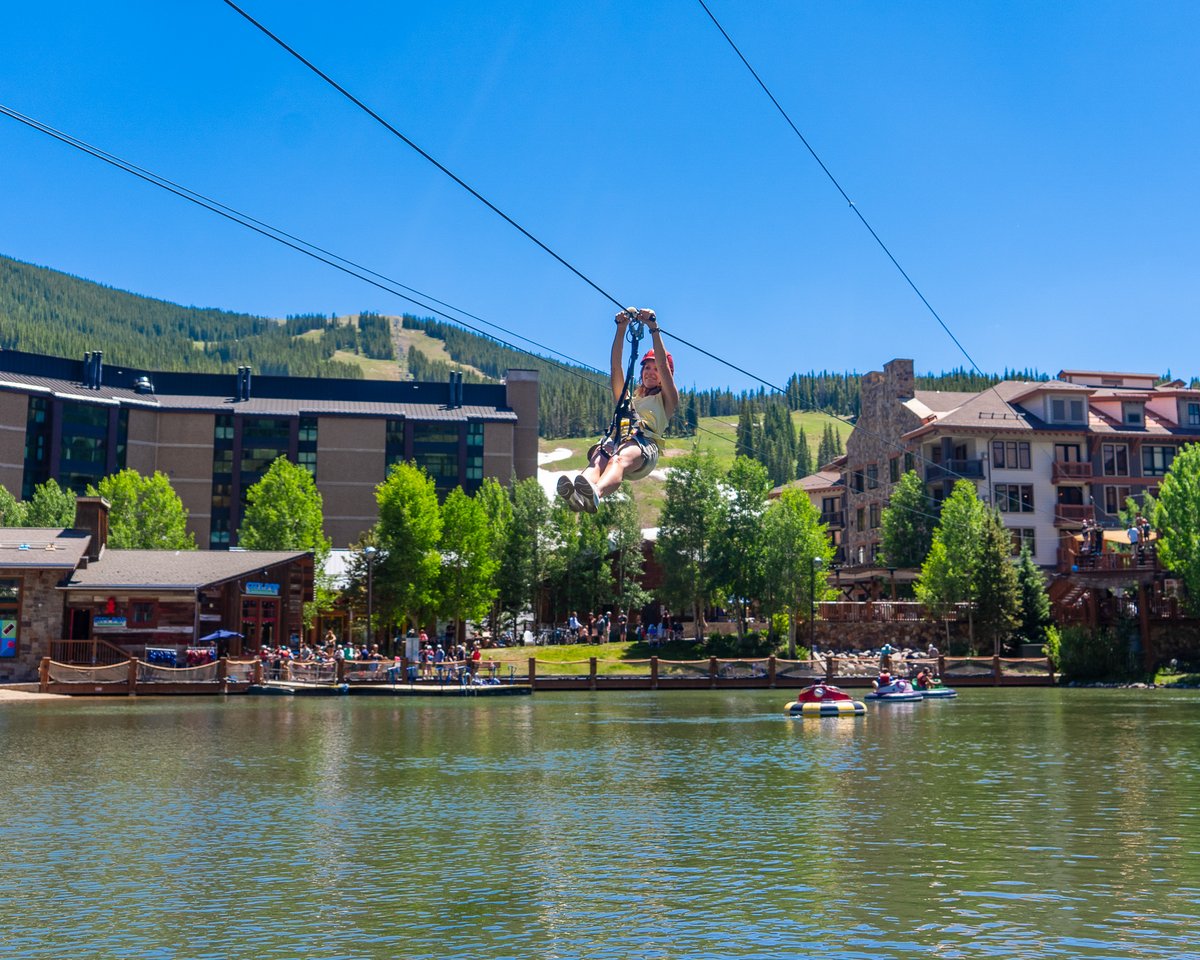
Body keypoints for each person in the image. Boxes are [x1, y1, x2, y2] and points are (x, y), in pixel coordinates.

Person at [557, 308, 678, 512]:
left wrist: (653, 328)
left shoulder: (667, 400)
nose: (651, 372)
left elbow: (664, 366)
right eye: (647, 368)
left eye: (655, 369)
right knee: (600, 455)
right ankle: (579, 495)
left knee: (618, 459)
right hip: (619, 441)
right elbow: (616, 369)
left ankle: (597, 492)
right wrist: (621, 330)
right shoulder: (629, 401)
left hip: (644, 446)